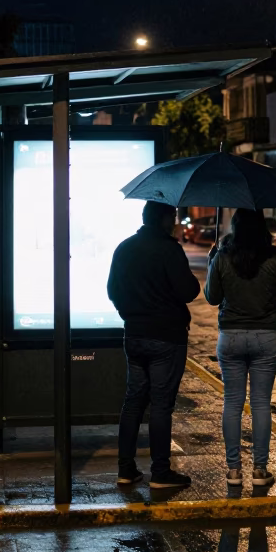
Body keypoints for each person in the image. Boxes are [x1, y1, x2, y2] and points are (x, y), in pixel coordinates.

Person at [107, 200, 200, 489]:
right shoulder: (169, 249)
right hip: (166, 337)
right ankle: (160, 472)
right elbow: (188, 291)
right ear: (162, 218)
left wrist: (130, 313)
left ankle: (126, 469)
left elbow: (112, 290)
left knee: (133, 402)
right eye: (172, 216)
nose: (174, 221)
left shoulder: (124, 247)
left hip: (134, 335)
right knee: (161, 405)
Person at [204, 209, 276, 487]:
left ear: (236, 228)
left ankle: (233, 472)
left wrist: (212, 263)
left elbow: (212, 297)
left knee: (232, 403)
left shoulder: (222, 256)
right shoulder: (274, 256)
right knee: (260, 404)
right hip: (266, 337)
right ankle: (259, 470)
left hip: (230, 337)